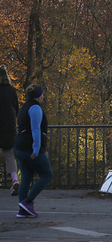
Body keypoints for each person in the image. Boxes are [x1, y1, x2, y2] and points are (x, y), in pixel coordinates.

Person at [13, 84, 53, 218]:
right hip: (29, 148)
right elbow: (36, 130)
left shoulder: (24, 107)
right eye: (42, 94)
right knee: (47, 174)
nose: (43, 96)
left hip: (19, 147)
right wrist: (36, 151)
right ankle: (28, 202)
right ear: (38, 95)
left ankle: (22, 210)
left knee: (26, 176)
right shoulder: (35, 108)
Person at [0, 65, 19, 195]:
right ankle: (14, 180)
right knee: (9, 154)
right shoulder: (12, 90)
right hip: (9, 125)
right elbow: (16, 109)